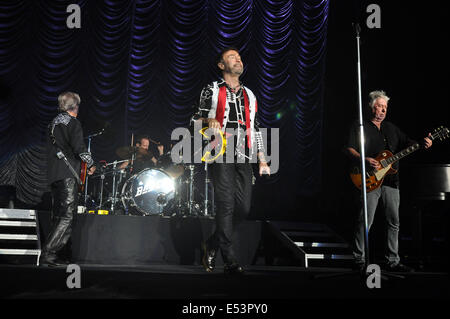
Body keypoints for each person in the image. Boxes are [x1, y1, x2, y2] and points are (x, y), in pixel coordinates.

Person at [192, 47, 270, 274]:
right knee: (225, 204)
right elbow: (195, 119)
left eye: (239, 57)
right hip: (219, 151)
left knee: (243, 208)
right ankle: (229, 260)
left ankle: (213, 243)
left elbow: (255, 128)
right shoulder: (212, 89)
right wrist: (208, 120)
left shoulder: (251, 95)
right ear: (221, 65)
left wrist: (262, 159)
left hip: (243, 154)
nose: (238, 60)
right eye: (232, 57)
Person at [345, 90, 432, 272]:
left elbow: (409, 143)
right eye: (379, 106)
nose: (383, 110)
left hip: (391, 182)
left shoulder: (391, 128)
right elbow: (349, 149)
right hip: (369, 179)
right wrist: (365, 159)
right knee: (364, 220)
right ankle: (359, 259)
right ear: (371, 107)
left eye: (385, 107)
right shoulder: (360, 127)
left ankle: (393, 260)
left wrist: (424, 143)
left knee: (394, 222)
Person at [40, 92, 95, 266]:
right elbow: (79, 148)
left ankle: (60, 255)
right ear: (75, 107)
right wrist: (93, 164)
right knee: (67, 216)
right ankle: (48, 254)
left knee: (58, 216)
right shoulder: (73, 122)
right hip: (67, 174)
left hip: (54, 175)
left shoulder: (52, 123)